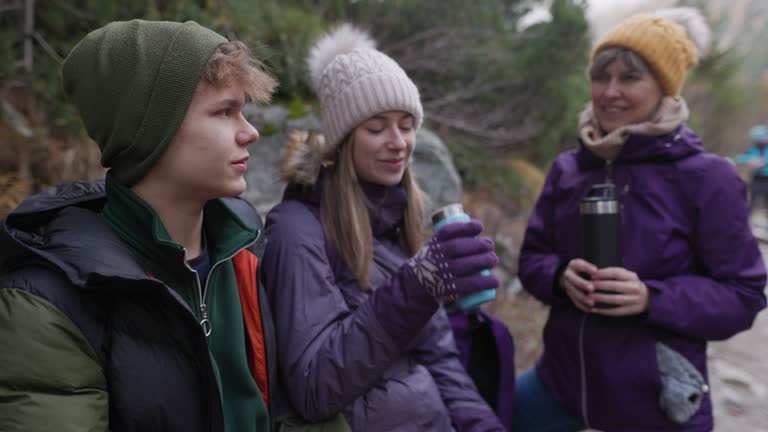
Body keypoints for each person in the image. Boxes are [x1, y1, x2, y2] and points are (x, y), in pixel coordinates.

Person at [0, 20, 279, 431]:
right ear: (150, 133)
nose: (250, 132)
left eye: (244, 111)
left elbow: (296, 413)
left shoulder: (246, 245)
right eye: (224, 112)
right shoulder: (48, 301)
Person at [516, 8, 767, 432]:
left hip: (654, 409)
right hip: (560, 386)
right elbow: (531, 261)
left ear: (663, 87)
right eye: (601, 76)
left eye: (630, 78)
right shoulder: (569, 169)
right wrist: (560, 278)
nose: (610, 91)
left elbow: (743, 295)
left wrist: (652, 298)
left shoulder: (706, 178)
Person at [261, 24, 505, 432]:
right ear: (341, 141)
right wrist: (416, 286)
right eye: (376, 128)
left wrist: (481, 424)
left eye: (407, 125)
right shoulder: (295, 231)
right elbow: (314, 386)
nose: (398, 142)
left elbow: (440, 357)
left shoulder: (398, 222)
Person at [735, 124, 768, 212]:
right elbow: (739, 158)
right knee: (752, 201)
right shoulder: (753, 149)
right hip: (756, 178)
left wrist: (764, 162)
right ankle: (746, 221)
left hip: (766, 178)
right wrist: (749, 160)